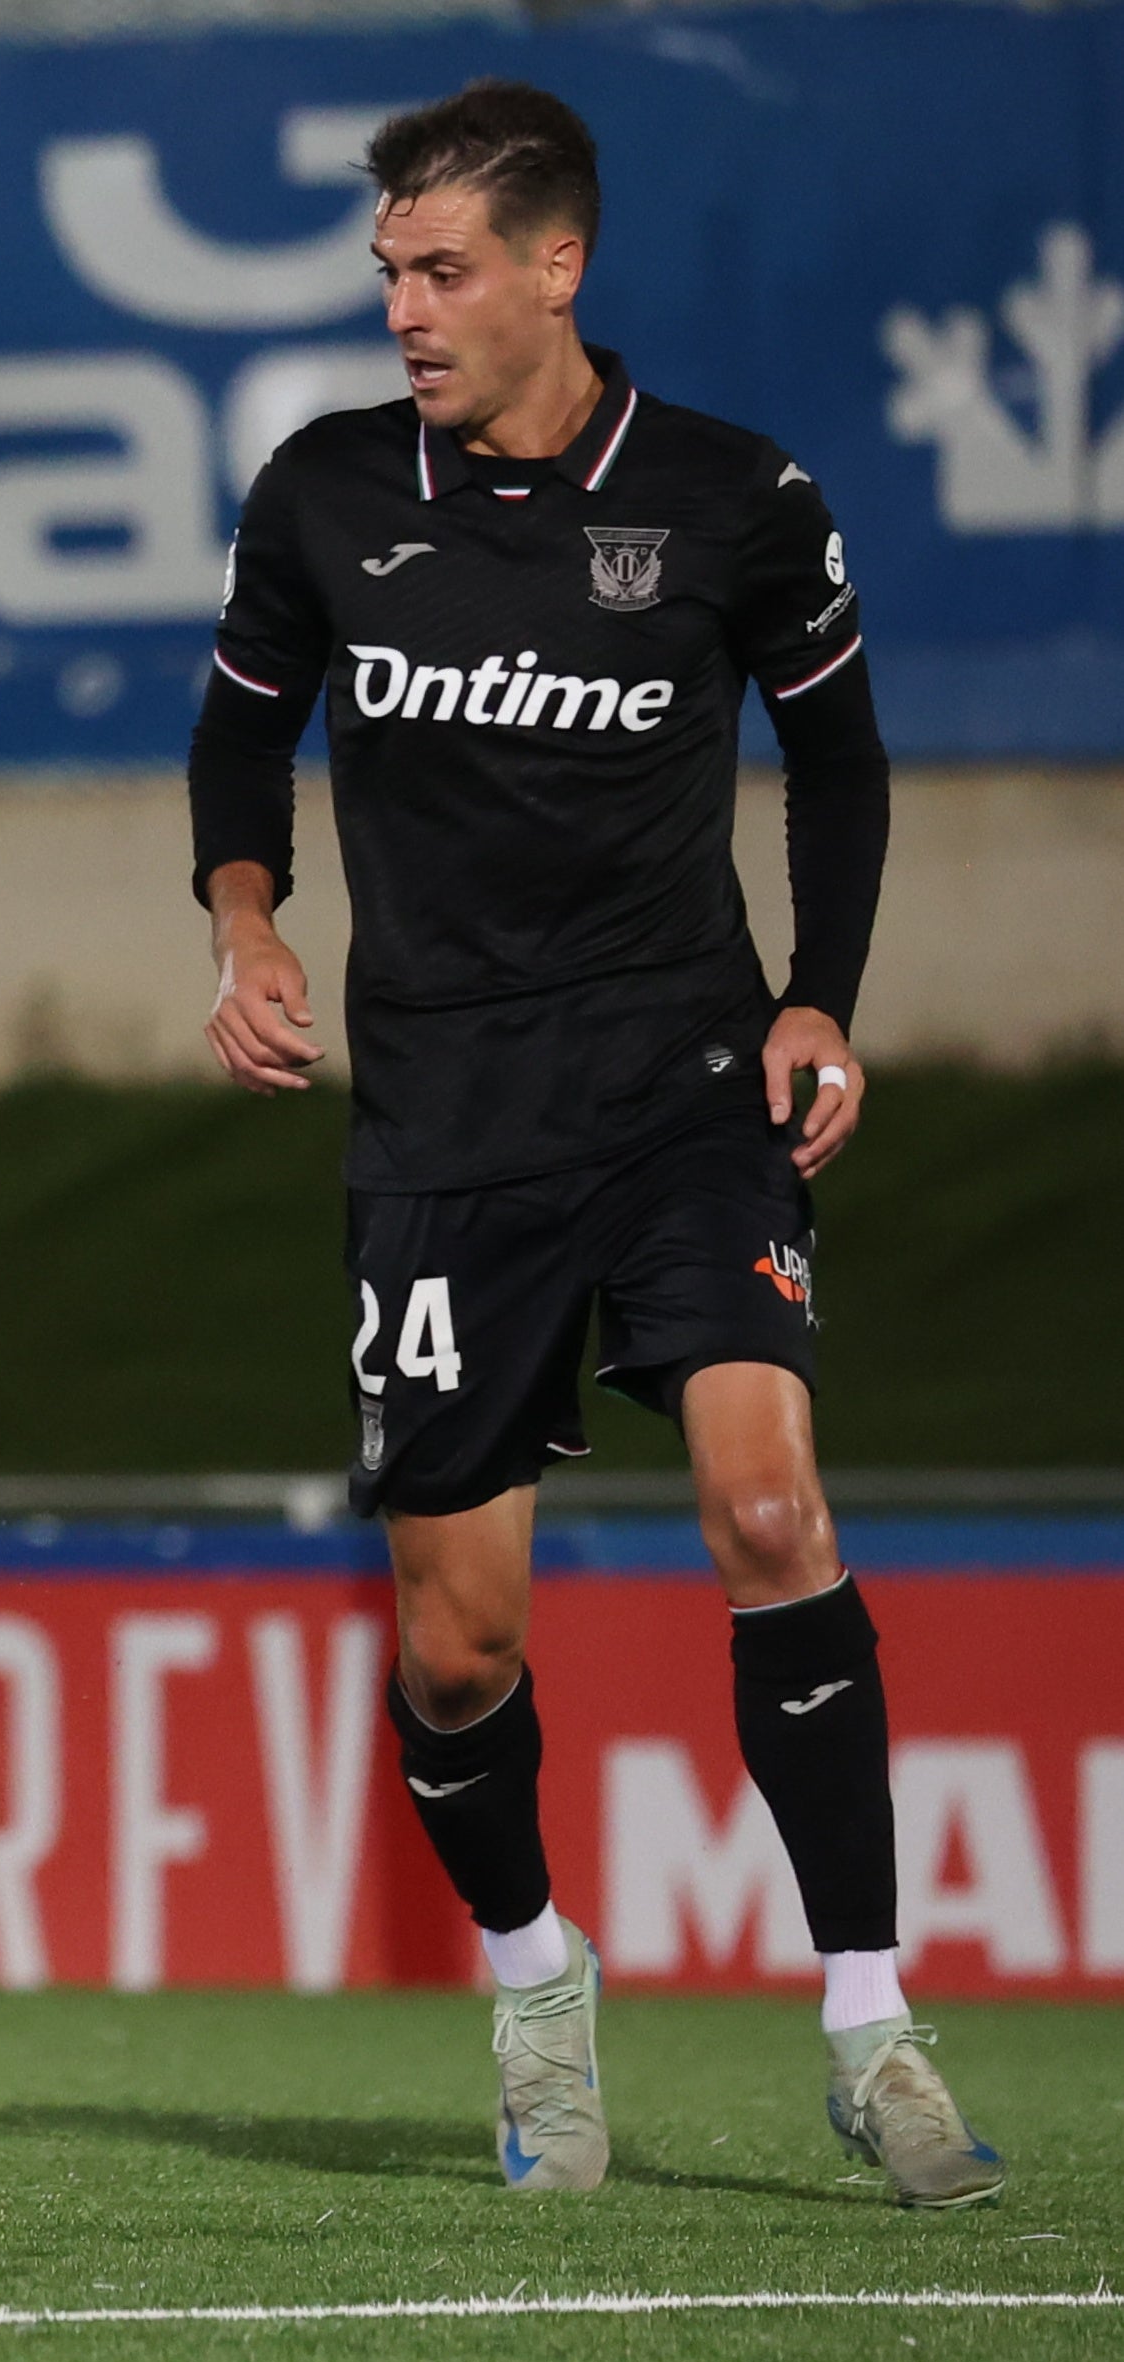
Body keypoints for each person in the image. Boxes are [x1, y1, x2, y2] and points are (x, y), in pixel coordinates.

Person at [193, 82, 994, 2207]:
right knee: (458, 1644)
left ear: (559, 266)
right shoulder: (327, 494)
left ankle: (869, 2023)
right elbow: (235, 723)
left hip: (680, 1097)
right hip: (444, 1131)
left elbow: (838, 752)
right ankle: (540, 1983)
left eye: (440, 268)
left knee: (766, 1506)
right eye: (386, 273)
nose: (405, 310)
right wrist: (248, 917)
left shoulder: (738, 500)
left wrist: (820, 987)